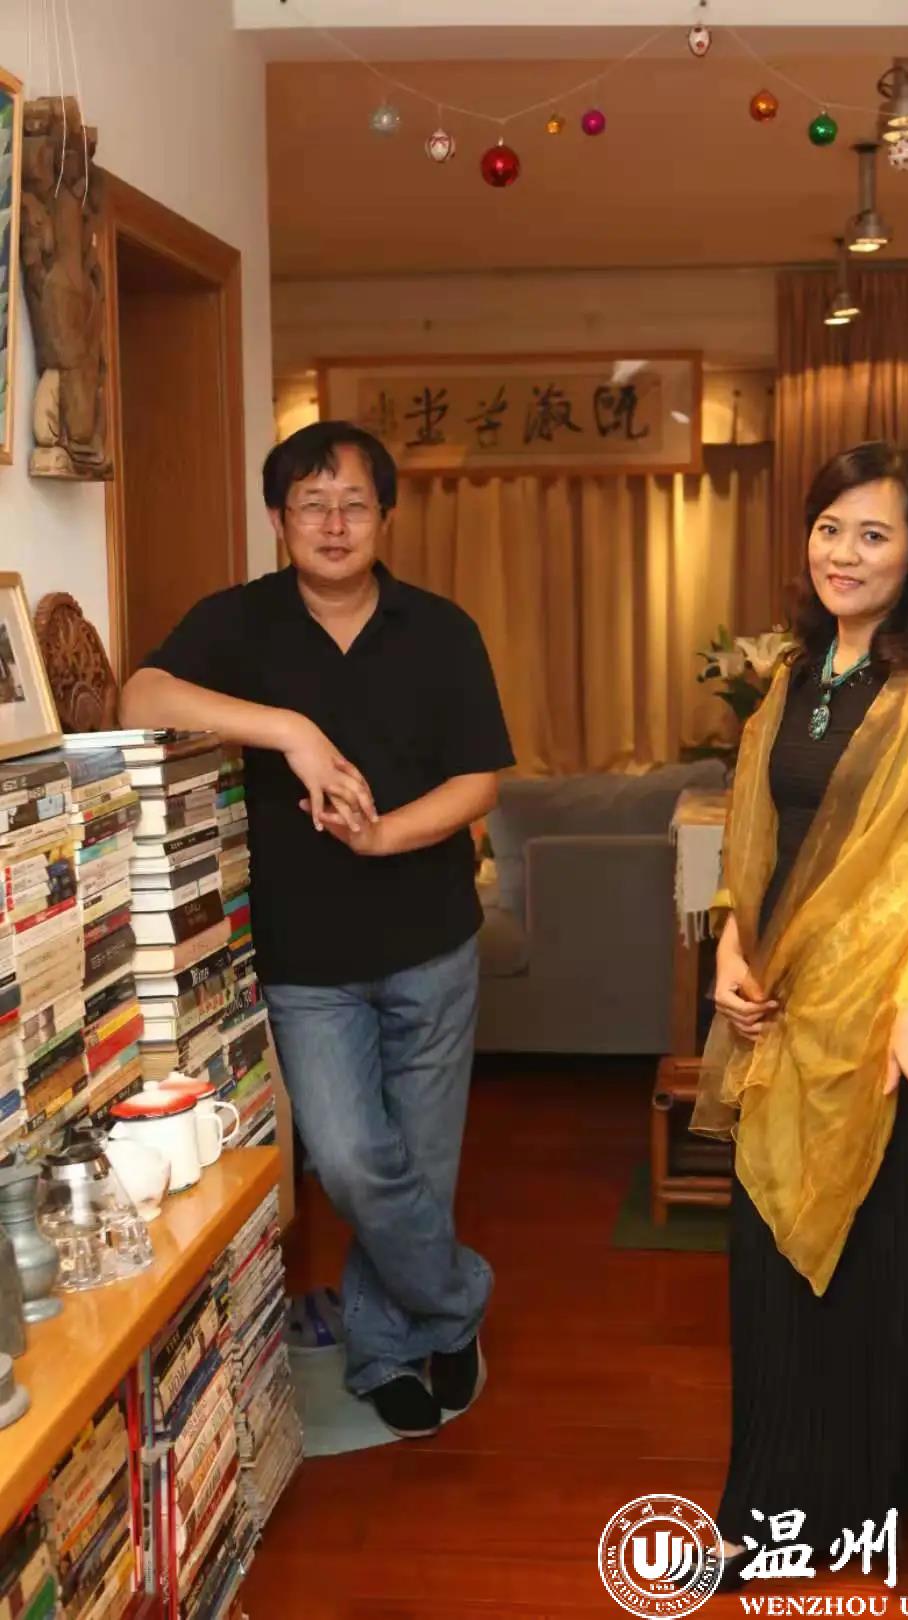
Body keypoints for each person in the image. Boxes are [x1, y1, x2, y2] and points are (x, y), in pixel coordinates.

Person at [121, 420, 515, 1439]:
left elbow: (479, 781)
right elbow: (142, 693)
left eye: (353, 505)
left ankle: (388, 1347)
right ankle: (457, 1303)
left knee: (419, 1164)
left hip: (432, 942)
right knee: (349, 1160)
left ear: (386, 516)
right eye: (311, 504)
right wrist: (288, 729)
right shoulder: (239, 623)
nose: (334, 524)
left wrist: (382, 837)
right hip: (308, 960)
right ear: (277, 518)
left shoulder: (441, 630)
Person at [692, 442, 908, 1579]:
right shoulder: (797, 673)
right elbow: (755, 836)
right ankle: (773, 1506)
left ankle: (834, 1514)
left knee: (862, 1279)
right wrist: (732, 942)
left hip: (876, 1034)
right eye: (831, 528)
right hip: (780, 1017)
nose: (845, 553)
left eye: (874, 534)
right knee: (770, 1276)